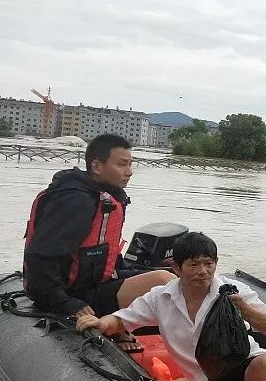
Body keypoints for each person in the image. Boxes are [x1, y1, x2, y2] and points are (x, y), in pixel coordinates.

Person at [76, 232, 266, 381]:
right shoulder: (160, 298)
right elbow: (121, 320)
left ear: (216, 263)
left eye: (208, 264)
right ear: (176, 268)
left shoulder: (233, 290)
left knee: (265, 362)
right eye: (194, 265)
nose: (203, 271)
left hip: (247, 371)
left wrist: (244, 308)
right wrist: (99, 322)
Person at [23, 134, 174, 351]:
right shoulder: (76, 201)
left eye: (131, 164)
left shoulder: (103, 196)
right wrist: (67, 303)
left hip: (95, 283)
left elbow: (106, 254)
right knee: (162, 281)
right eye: (122, 165)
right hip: (71, 295)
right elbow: (39, 257)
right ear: (96, 165)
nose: (129, 172)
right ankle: (122, 327)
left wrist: (135, 272)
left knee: (173, 276)